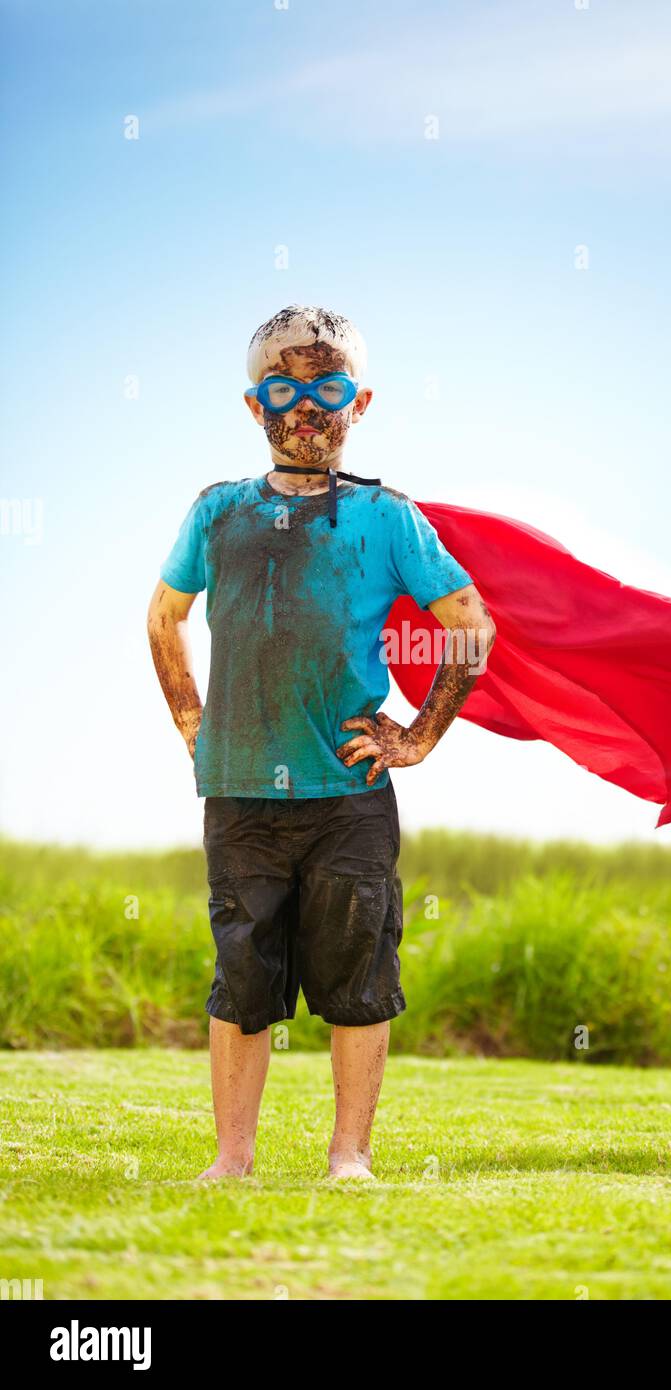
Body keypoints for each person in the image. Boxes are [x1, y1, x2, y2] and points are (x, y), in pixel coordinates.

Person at [147, 305, 495, 1180]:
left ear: (360, 401)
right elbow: (163, 619)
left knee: (357, 975)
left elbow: (469, 625)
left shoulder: (388, 518)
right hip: (238, 793)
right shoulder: (217, 512)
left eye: (327, 386)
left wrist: (417, 737)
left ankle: (350, 1156)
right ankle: (232, 1159)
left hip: (347, 796)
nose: (305, 405)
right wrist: (193, 722)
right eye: (283, 386)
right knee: (243, 978)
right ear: (253, 402)